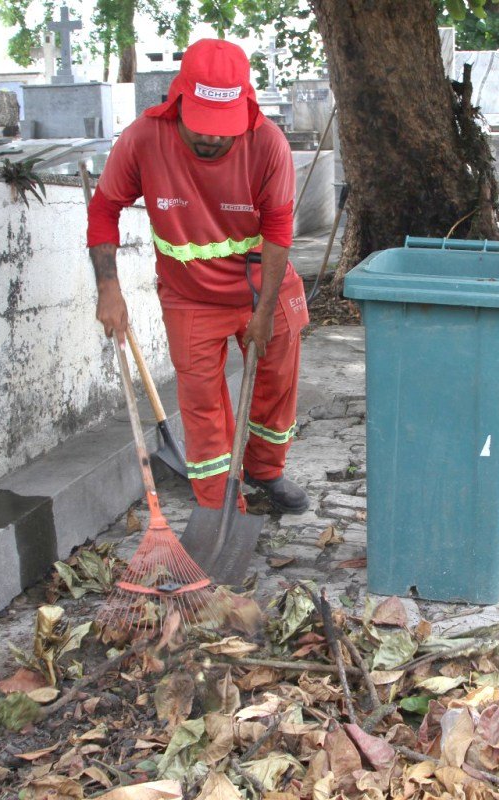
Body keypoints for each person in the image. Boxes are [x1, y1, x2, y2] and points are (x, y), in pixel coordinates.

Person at [86, 38, 310, 514]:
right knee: (202, 402)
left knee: (275, 385)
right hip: (190, 295)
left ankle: (266, 469)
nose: (210, 139)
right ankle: (219, 504)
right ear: (178, 102)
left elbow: (278, 230)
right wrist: (108, 290)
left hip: (262, 286)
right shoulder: (144, 138)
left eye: (222, 129)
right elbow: (104, 208)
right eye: (200, 126)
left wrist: (265, 311)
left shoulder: (268, 143)